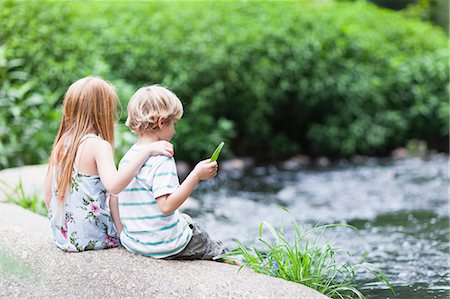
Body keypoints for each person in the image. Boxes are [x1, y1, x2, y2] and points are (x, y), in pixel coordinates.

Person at [43, 77, 174, 252]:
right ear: (103, 111)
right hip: (94, 237)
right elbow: (115, 186)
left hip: (64, 236)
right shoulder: (98, 145)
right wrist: (147, 151)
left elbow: (47, 197)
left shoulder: (62, 143)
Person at [113, 84, 224, 260]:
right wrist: (196, 175)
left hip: (135, 242)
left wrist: (122, 234)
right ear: (162, 122)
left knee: (185, 219)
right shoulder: (162, 159)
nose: (174, 129)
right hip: (163, 246)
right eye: (174, 123)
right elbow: (166, 207)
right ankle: (227, 258)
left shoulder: (129, 157)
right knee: (201, 236)